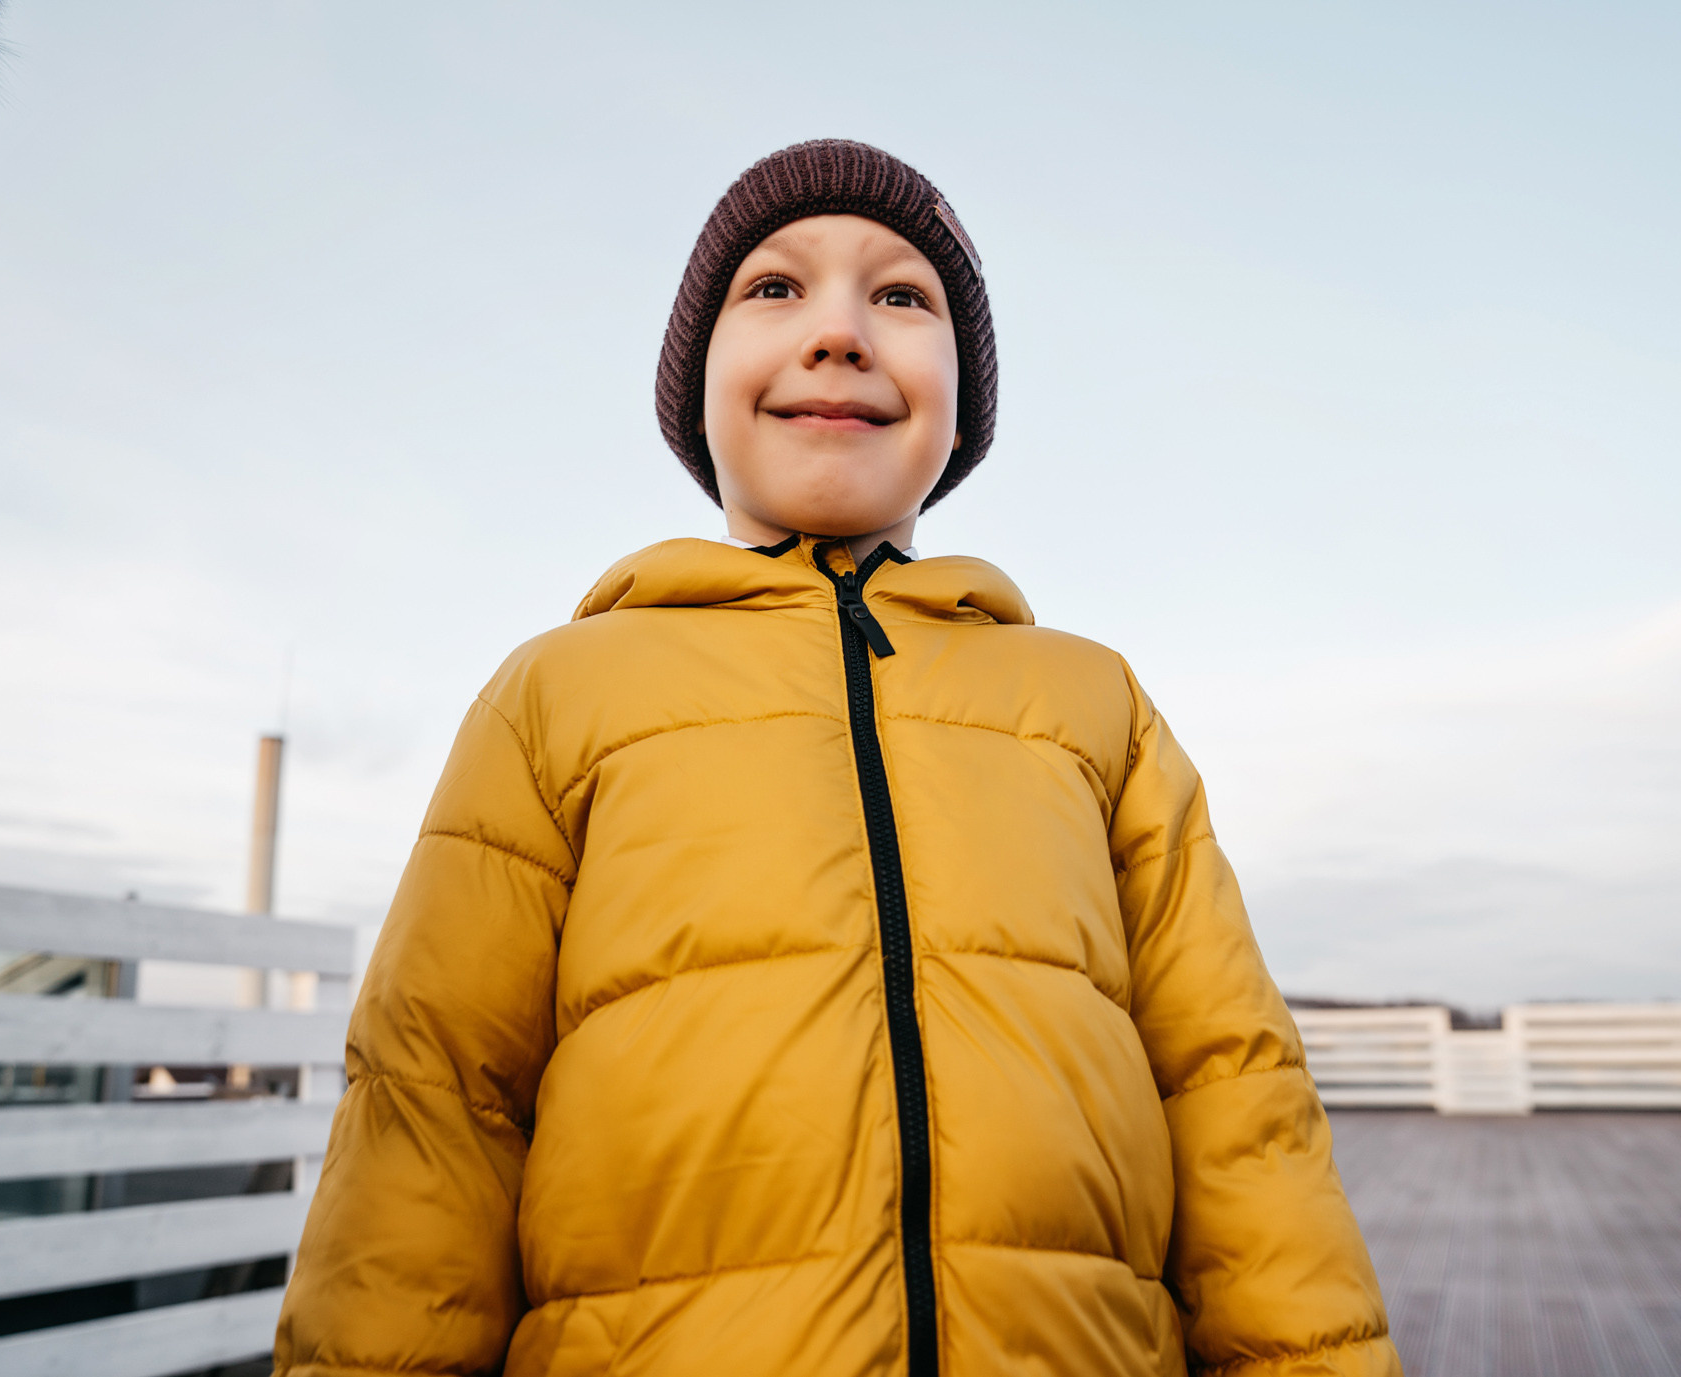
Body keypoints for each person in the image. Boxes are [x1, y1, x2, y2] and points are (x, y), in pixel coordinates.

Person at [274, 139, 1401, 1377]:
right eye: (774, 289)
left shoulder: (1089, 705)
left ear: (959, 397)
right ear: (692, 390)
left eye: (901, 297)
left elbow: (1232, 1095)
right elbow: (432, 1113)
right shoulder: (559, 693)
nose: (839, 333)